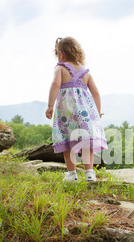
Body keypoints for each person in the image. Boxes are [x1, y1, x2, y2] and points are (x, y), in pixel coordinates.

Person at [46, 37, 107, 182]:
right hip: (85, 114)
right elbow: (96, 93)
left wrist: (50, 106)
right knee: (86, 141)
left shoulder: (60, 68)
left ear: (61, 54)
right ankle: (89, 173)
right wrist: (97, 113)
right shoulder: (86, 72)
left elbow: (55, 85)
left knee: (67, 141)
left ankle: (72, 174)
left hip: (66, 113)